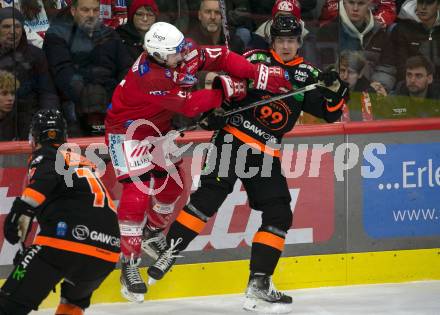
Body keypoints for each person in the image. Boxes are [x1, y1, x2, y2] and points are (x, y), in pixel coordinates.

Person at [147, 15, 347, 314]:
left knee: (279, 213)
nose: (287, 45)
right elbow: (226, 86)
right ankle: (169, 251)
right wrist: (218, 109)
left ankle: (259, 282)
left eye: (292, 40)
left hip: (265, 152)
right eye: (281, 40)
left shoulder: (307, 74)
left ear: (299, 42)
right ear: (272, 41)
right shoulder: (256, 59)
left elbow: (330, 113)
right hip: (233, 138)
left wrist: (336, 88)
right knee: (210, 195)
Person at [105, 21, 292, 303]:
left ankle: (152, 232)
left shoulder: (180, 51)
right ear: (157, 55)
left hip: (157, 129)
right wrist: (226, 91)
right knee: (138, 193)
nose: (182, 55)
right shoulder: (151, 78)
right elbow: (190, 105)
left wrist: (257, 73)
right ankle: (128, 264)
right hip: (126, 132)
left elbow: (223, 57)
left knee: (172, 188)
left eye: (182, 48)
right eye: (175, 53)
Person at [0, 109, 120, 315]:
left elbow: (41, 187)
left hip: (64, 243)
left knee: (8, 305)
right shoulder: (82, 161)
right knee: (73, 303)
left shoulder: (45, 154)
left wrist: (19, 213)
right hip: (107, 251)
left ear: (34, 137)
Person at [43, 0, 131, 136]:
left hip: (110, 102)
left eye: (95, 10)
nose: (91, 14)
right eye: (85, 10)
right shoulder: (57, 35)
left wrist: (114, 97)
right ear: (73, 11)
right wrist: (88, 96)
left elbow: (126, 69)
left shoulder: (110, 35)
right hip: (74, 103)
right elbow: (61, 71)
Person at [0, 7, 59, 140]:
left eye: (17, 26)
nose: (12, 32)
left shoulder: (36, 55)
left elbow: (47, 92)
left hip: (30, 118)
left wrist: (48, 117)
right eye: (6, 26)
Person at [389, 0, 440, 82]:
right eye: (420, 2)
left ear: (438, 5)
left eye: (429, 3)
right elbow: (400, 66)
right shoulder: (402, 29)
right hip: (409, 84)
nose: (423, 7)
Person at [116, 0, 159, 65]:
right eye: (140, 14)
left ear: (155, 18)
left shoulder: (162, 39)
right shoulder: (119, 40)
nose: (145, 19)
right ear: (132, 16)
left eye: (150, 15)